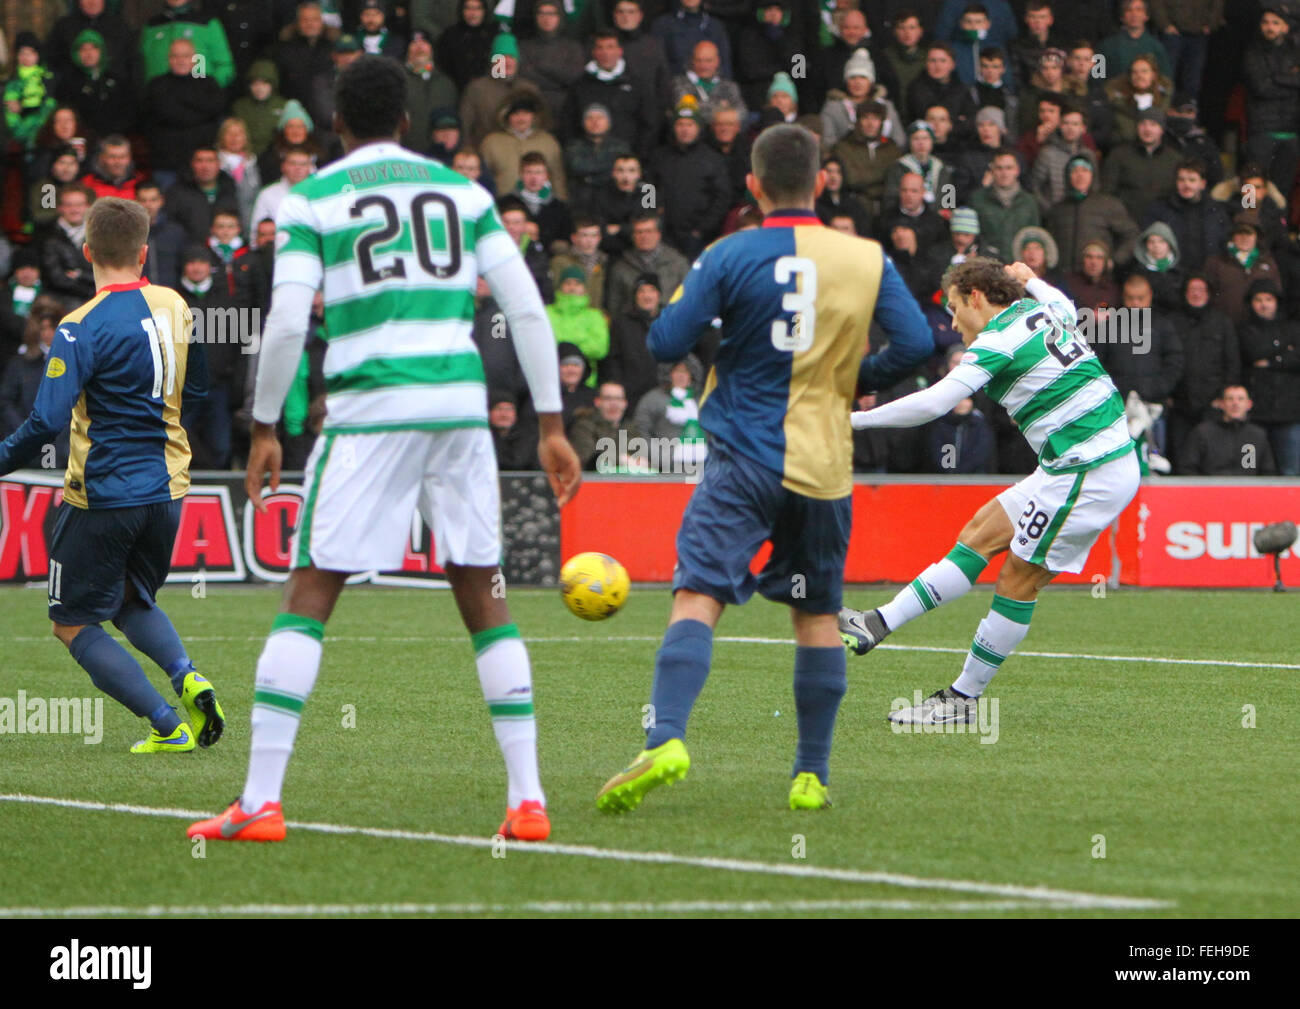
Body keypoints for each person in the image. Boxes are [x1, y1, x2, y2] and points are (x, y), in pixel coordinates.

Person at [188, 56, 580, 845]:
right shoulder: (465, 193)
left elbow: (290, 321)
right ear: (407, 122)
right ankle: (528, 798)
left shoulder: (312, 198)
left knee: (311, 590)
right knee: (484, 595)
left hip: (370, 409)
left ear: (337, 125)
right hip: (461, 408)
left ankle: (262, 800)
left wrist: (264, 426)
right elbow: (528, 310)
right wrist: (550, 422)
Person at [595, 124, 931, 815]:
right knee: (815, 613)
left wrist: (732, 342)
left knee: (698, 596)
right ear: (820, 181)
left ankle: (667, 737)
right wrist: (851, 377)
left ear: (752, 184)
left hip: (742, 460)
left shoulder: (729, 252)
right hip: (824, 468)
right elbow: (921, 342)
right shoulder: (866, 257)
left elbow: (664, 340)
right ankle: (811, 775)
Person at [841, 259, 1140, 725]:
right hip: (1073, 464)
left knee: (1018, 579)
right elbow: (1063, 302)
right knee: (980, 532)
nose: (953, 321)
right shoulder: (1043, 311)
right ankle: (876, 623)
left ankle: (964, 698)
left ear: (977, 296)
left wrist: (851, 420)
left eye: (956, 307)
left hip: (1090, 470)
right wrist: (1031, 279)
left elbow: (934, 402)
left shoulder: (998, 341)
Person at [0, 196, 222, 754]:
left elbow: (46, 420)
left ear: (88, 250)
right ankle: (187, 674)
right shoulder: (174, 304)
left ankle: (166, 724)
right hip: (168, 488)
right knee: (130, 599)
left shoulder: (78, 328)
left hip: (102, 494)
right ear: (145, 252)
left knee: (71, 623)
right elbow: (199, 387)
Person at [1178, 384, 1277, 476]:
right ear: (1221, 404)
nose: (1235, 403)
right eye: (1230, 399)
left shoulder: (1257, 435)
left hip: (1248, 492)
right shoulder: (1202, 432)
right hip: (1211, 491)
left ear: (1249, 404)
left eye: (1240, 399)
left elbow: (1268, 472)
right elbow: (1188, 468)